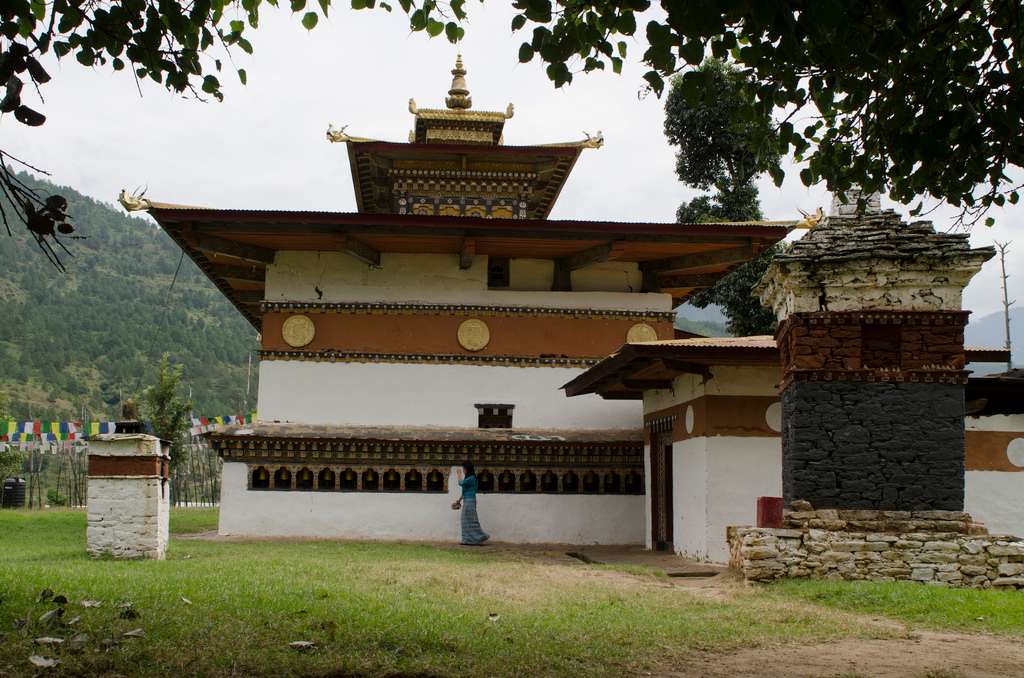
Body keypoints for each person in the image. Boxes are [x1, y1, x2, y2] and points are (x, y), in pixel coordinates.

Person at [452, 462, 489, 545]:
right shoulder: (468, 478)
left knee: (471, 520)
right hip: (467, 500)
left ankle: (479, 538)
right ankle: (468, 540)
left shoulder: (472, 478)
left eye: (464, 469)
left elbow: (461, 483)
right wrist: (459, 500)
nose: (463, 470)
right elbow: (465, 491)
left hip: (470, 501)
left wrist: (458, 474)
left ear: (467, 469)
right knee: (465, 520)